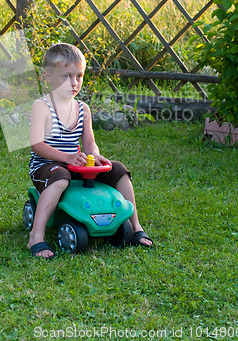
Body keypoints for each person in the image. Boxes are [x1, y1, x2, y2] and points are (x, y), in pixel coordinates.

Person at [28, 43, 153, 258]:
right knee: (59, 177)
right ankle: (36, 236)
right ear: (47, 76)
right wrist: (67, 157)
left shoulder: (83, 109)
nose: (74, 83)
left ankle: (135, 226)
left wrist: (93, 155)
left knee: (118, 170)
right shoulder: (42, 106)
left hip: (74, 162)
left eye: (79, 76)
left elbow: (89, 143)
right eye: (66, 76)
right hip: (46, 165)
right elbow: (37, 145)